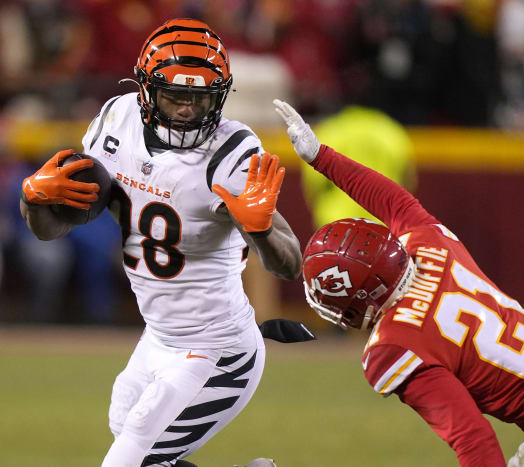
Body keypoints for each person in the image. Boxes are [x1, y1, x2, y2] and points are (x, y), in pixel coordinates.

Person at [273, 99, 524, 466]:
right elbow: (390, 199)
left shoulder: (391, 348)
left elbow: (473, 439)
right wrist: (320, 156)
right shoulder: (430, 245)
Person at [19, 18, 309, 467]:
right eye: (176, 95)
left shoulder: (232, 153)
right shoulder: (117, 120)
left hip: (218, 348)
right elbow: (49, 229)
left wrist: (263, 228)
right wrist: (34, 201)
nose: (188, 110)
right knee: (133, 437)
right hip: (158, 337)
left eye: (200, 97)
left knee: (128, 460)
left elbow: (290, 264)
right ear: (146, 89)